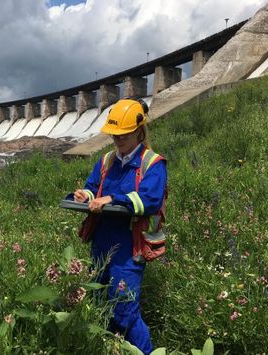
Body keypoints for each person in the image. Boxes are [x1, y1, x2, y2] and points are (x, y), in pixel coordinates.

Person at [72, 98, 167, 354]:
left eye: (123, 135)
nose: (117, 140)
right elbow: (94, 188)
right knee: (98, 299)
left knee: (124, 309)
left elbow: (149, 199)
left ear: (138, 130)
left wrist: (114, 199)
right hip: (101, 242)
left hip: (129, 246)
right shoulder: (105, 161)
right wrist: (86, 196)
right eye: (114, 135)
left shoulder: (153, 164)